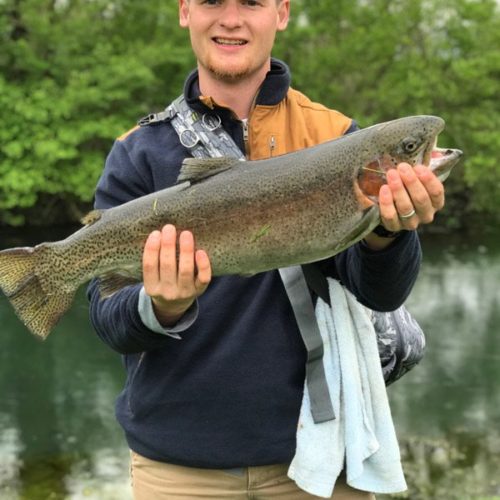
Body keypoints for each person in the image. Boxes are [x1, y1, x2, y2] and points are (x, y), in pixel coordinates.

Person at [87, 1, 445, 498]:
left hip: (323, 459)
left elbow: (379, 295)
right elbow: (107, 319)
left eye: (251, 2)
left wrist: (388, 232)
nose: (231, 19)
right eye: (213, 1)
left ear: (280, 13)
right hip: (179, 469)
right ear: (185, 10)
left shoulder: (335, 137)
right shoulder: (137, 151)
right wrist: (162, 306)